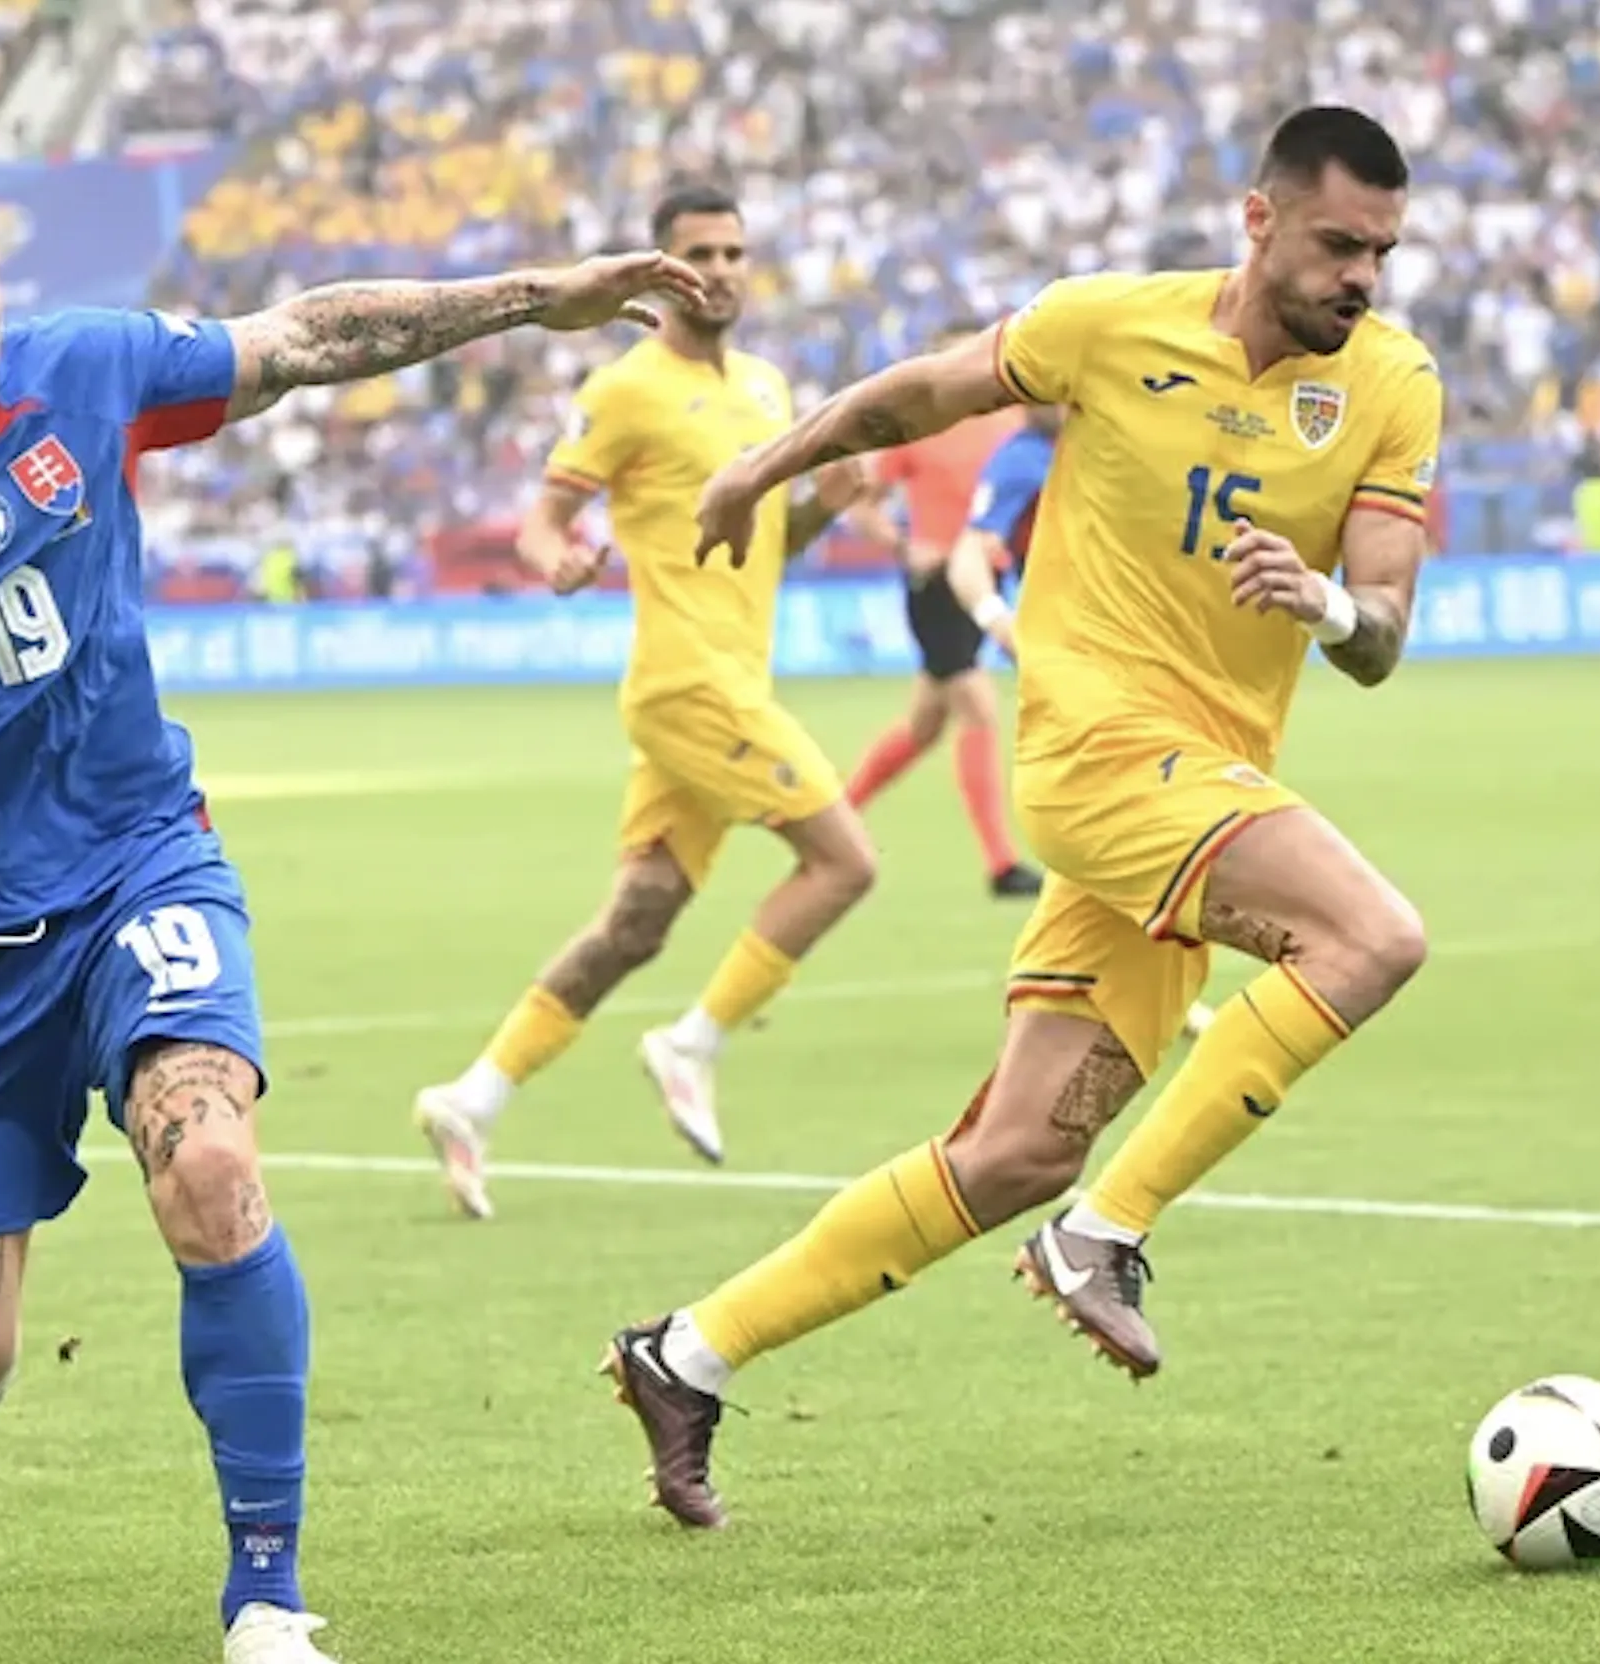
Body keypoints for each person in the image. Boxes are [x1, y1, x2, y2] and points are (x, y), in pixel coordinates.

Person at [0, 152, 705, 1660]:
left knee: (211, 1161)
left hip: (138, 867)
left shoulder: (84, 371)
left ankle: (266, 1595)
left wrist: (534, 298)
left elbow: (303, 338)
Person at [595, 105, 1442, 1529]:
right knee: (1369, 938)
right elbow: (915, 397)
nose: (1360, 276)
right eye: (1337, 243)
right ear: (1259, 219)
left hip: (1197, 787)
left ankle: (685, 1354)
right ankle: (1105, 1233)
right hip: (1095, 755)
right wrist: (758, 466)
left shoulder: (1392, 382)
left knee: (1016, 1151)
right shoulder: (1106, 325)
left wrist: (1329, 605)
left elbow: (1382, 630)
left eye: (1381, 253)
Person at [409, 184, 877, 1222]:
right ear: (663, 271)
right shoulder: (625, 390)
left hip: (732, 681)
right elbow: (544, 517)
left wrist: (820, 509)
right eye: (699, 253)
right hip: (686, 682)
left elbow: (764, 547)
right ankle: (692, 1041)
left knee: (636, 921)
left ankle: (471, 1099)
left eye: (735, 252)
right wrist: (555, 558)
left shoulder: (767, 389)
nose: (721, 270)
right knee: (845, 862)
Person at [948, 409, 1220, 1041]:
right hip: (1078, 666)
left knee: (1109, 832)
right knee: (1143, 816)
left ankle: (1077, 987)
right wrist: (996, 620)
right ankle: (1134, 990)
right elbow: (968, 551)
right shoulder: (1021, 459)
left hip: (1142, 653)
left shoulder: (1119, 432)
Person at [842, 327, 1041, 898]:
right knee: (977, 707)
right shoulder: (918, 426)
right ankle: (1001, 865)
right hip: (935, 585)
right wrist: (904, 546)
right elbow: (861, 506)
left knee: (924, 725)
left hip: (986, 579)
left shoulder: (1011, 422)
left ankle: (834, 815)